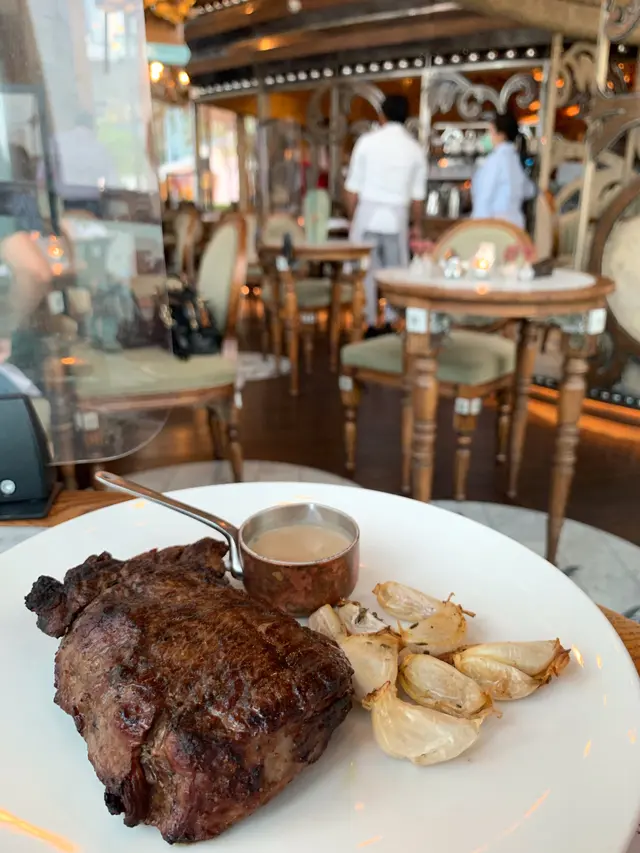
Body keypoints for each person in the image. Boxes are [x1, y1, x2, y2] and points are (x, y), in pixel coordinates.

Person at [345, 95, 426, 336]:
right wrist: (417, 225)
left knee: (365, 274)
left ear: (381, 115)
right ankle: (392, 322)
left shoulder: (366, 142)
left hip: (367, 216)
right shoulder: (415, 149)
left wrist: (352, 218)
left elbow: (352, 190)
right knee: (395, 274)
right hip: (397, 219)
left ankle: (368, 322)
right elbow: (418, 199)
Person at [471, 112, 536, 229]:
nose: (488, 136)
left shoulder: (496, 161)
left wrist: (476, 227)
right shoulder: (513, 159)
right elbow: (528, 190)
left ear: (501, 135)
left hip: (495, 225)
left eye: (490, 131)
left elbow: (485, 197)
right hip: (514, 226)